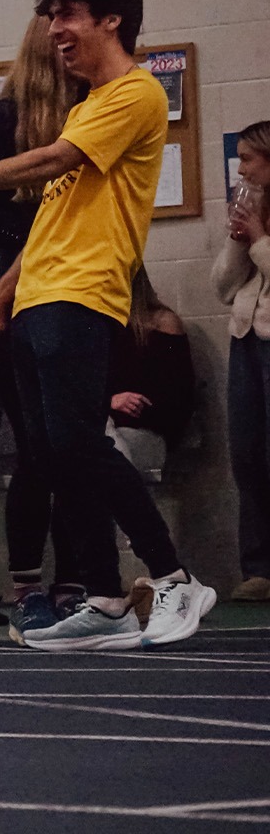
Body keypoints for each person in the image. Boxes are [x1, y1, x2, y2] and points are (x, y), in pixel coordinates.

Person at [0, 0, 214, 651]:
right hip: (41, 294)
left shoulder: (134, 95)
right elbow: (52, 213)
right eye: (52, 17)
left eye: (68, 14)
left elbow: (52, 161)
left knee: (77, 443)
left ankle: (173, 576)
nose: (56, 31)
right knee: (54, 453)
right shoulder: (88, 102)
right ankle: (104, 598)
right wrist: (1, 293)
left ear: (111, 19)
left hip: (84, 292)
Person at [0, 17, 85, 637]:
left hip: (84, 279)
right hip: (18, 279)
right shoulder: (4, 116)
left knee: (75, 445)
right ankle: (30, 583)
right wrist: (37, 238)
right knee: (34, 450)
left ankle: (82, 580)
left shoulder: (94, 108)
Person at [213, 124, 270, 602]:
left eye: (250, 159)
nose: (243, 169)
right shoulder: (253, 213)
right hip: (246, 336)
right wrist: (239, 237)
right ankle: (258, 567)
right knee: (248, 454)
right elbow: (224, 285)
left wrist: (258, 240)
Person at [105, 268, 192, 475]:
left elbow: (178, 398)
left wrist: (108, 405)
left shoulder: (162, 324)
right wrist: (109, 402)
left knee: (98, 447)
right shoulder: (99, 327)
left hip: (147, 433)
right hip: (108, 429)